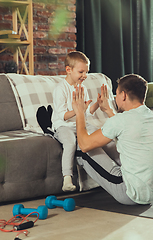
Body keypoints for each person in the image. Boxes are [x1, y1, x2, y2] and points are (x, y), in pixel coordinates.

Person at [72, 74, 153, 205]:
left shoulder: (121, 120)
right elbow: (126, 127)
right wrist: (108, 110)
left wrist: (79, 112)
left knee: (80, 150)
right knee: (116, 143)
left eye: (116, 94)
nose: (115, 98)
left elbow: (84, 145)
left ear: (123, 95)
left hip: (130, 194)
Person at [51, 51, 101, 192]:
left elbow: (87, 112)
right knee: (70, 142)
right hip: (63, 125)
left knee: (98, 136)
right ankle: (67, 178)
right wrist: (77, 110)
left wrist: (97, 104)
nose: (84, 75)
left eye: (86, 72)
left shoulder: (82, 88)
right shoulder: (60, 89)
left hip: (80, 124)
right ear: (68, 70)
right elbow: (62, 115)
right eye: (81, 72)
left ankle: (96, 178)